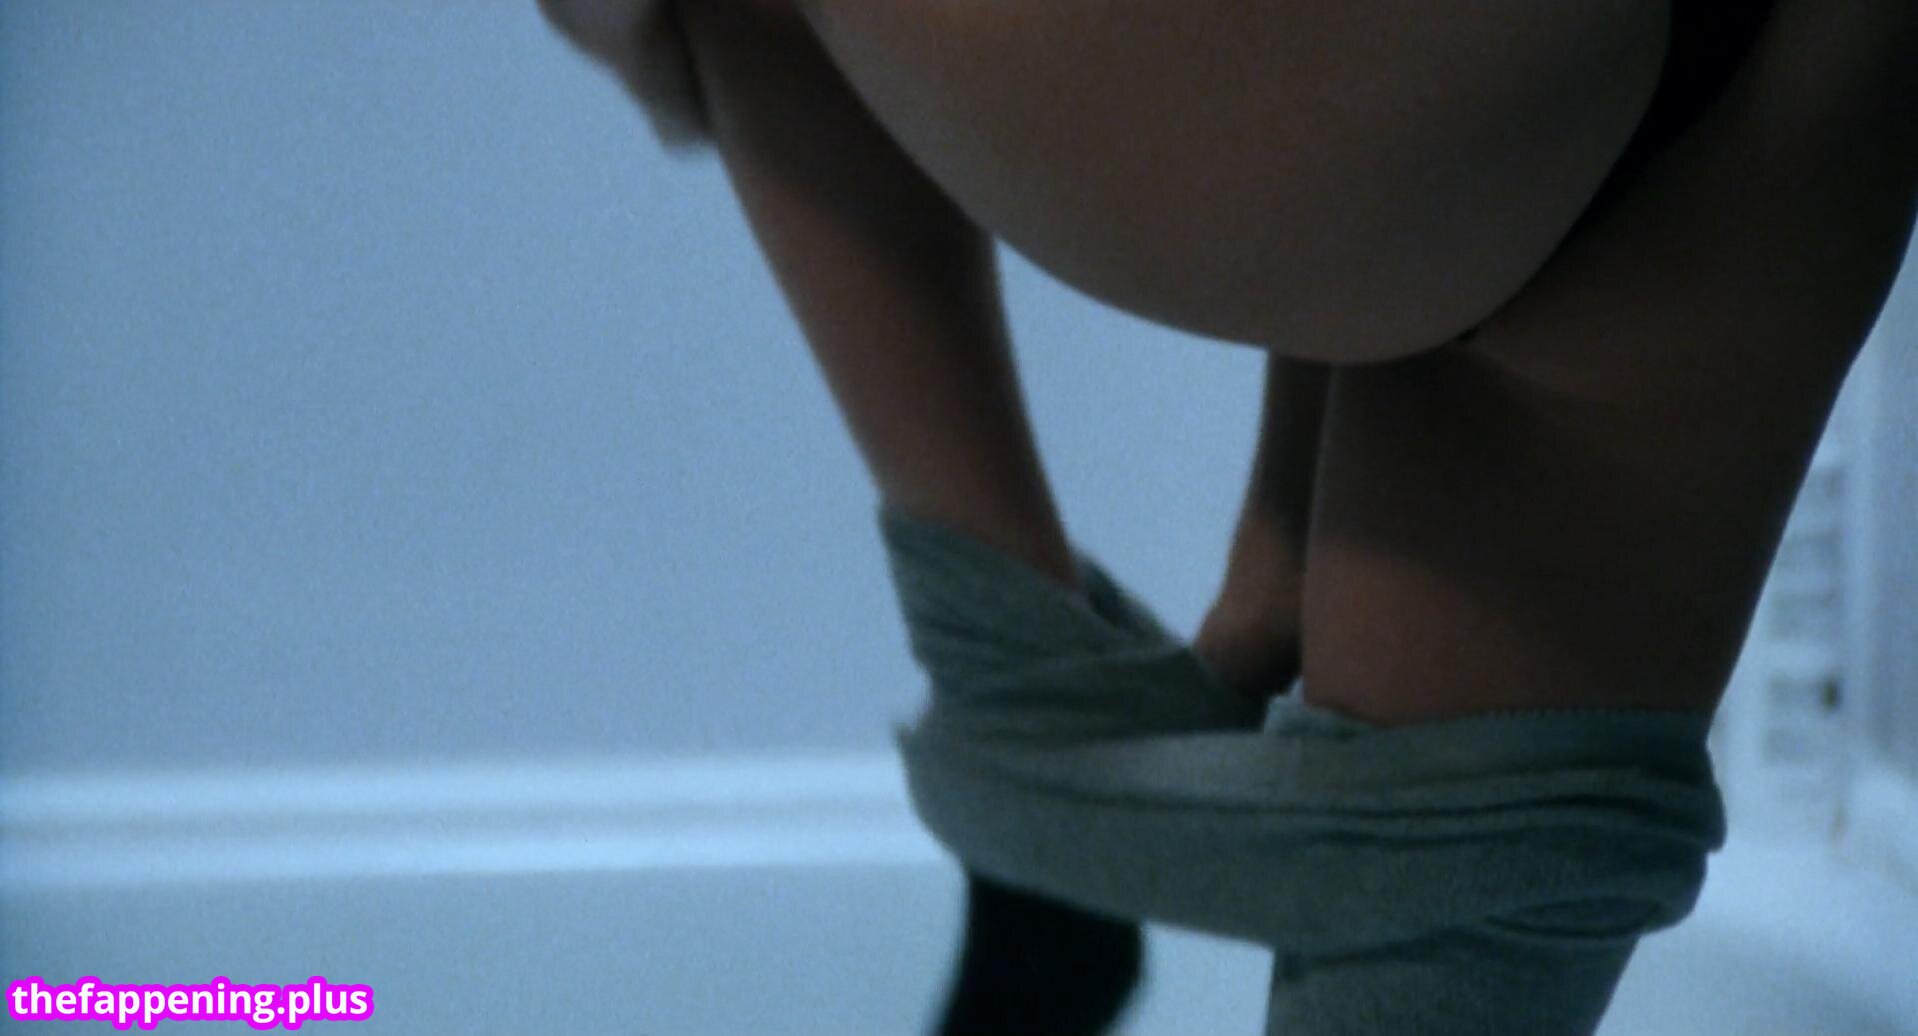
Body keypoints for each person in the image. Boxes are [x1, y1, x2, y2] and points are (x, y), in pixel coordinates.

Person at [539, 2, 1917, 1032]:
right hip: (1789, 114)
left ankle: (1025, 697)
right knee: (1452, 923)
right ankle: (1163, 660)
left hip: (1352, 110)